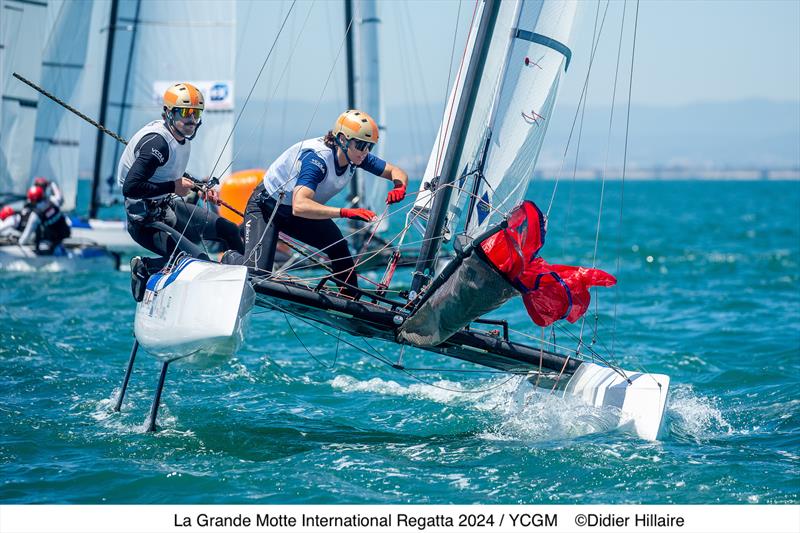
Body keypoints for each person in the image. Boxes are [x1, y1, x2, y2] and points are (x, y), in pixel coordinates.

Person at [222, 109, 408, 296]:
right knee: (258, 276)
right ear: (343, 139)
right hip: (266, 209)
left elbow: (396, 171)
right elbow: (300, 204)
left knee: (339, 247)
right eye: (361, 145)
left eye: (370, 146)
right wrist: (346, 212)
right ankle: (230, 257)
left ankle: (351, 300)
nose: (365, 152)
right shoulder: (317, 160)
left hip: (297, 214)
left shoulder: (356, 156)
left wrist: (399, 186)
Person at [117, 82, 244, 301]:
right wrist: (172, 187)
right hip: (145, 222)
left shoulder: (179, 139)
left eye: (196, 114)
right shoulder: (157, 143)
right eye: (185, 113)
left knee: (229, 229)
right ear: (168, 113)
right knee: (200, 262)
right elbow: (130, 188)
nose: (192, 120)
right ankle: (146, 267)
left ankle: (246, 279)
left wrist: (200, 187)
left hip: (167, 207)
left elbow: (169, 172)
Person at [17, 185, 71, 254]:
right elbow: (59, 196)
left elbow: (26, 235)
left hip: (50, 243)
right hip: (66, 235)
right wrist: (52, 184)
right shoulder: (54, 200)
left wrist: (19, 243)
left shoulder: (35, 215)